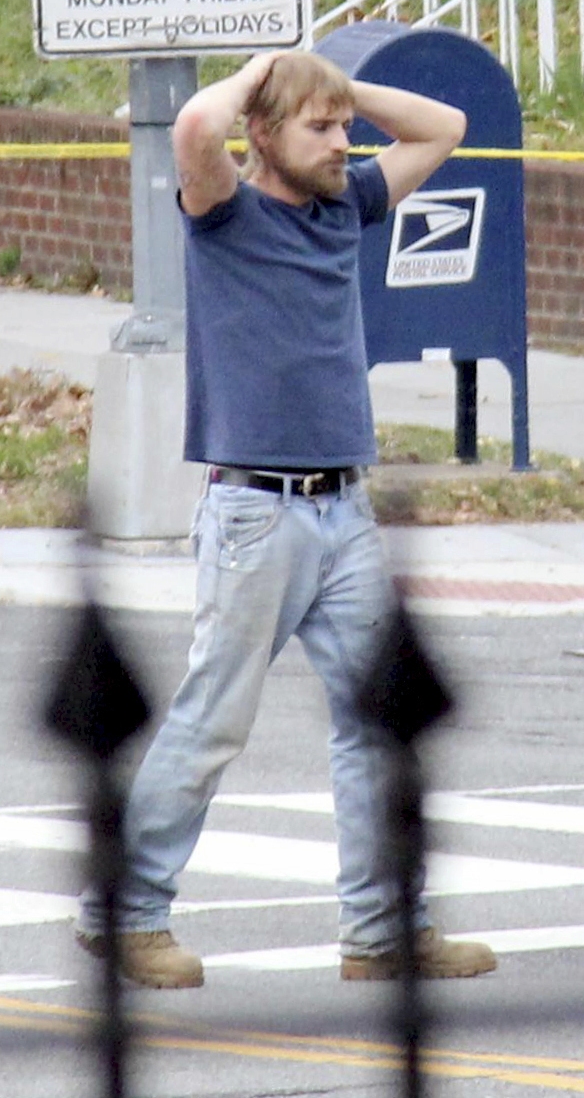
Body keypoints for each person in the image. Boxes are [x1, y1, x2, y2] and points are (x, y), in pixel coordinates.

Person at [75, 51, 496, 988]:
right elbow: (192, 130)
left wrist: (337, 82)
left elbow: (444, 129)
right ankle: (126, 914)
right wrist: (262, 69)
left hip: (344, 508)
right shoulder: (224, 212)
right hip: (254, 513)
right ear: (262, 134)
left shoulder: (348, 201)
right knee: (213, 720)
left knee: (380, 719)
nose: (345, 143)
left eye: (344, 128)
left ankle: (384, 931)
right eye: (321, 128)